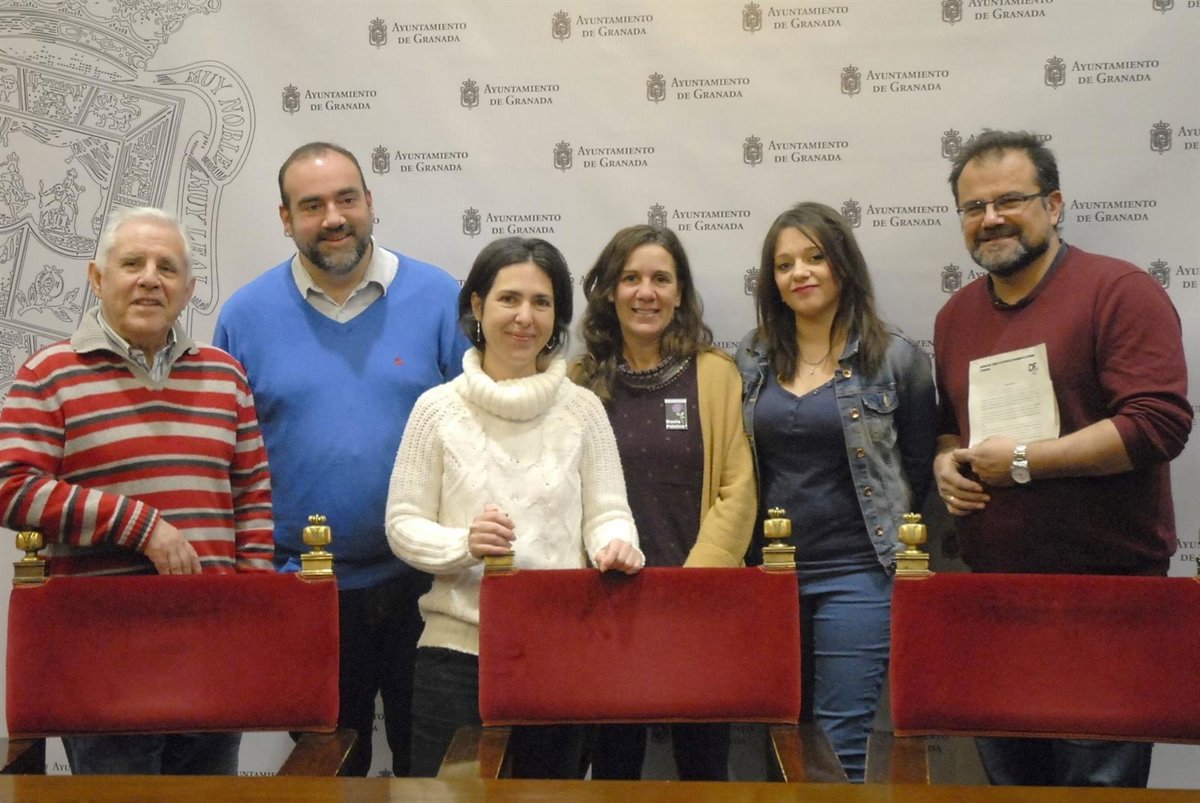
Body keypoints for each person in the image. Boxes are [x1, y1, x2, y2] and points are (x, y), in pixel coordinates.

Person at [933, 130, 1192, 788]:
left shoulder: (1119, 290)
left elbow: (1157, 425)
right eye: (973, 207)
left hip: (1105, 600)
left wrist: (1025, 460)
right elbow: (950, 426)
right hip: (995, 598)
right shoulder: (955, 316)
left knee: (1096, 790)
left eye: (1010, 200)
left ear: (1053, 204)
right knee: (1010, 786)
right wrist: (946, 462)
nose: (991, 218)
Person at [213, 142, 469, 777]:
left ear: (370, 203)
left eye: (346, 199)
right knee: (328, 772)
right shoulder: (244, 316)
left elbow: (476, 440)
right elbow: (230, 464)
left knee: (432, 770)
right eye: (312, 205)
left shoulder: (441, 299)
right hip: (306, 589)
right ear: (285, 218)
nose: (333, 218)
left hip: (427, 587)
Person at [0, 206, 274, 774]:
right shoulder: (48, 374)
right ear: (97, 278)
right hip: (101, 657)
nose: (151, 279)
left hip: (209, 651)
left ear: (189, 290)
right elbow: (10, 485)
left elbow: (252, 499)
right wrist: (141, 527)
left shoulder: (225, 376)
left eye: (167, 268)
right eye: (132, 264)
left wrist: (249, 614)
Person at [385, 236, 643, 778]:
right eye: (509, 299)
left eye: (541, 302)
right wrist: (463, 544)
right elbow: (402, 523)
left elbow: (607, 512)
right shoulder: (436, 410)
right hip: (455, 657)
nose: (525, 317)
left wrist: (615, 544)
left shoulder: (584, 410)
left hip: (561, 654)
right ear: (478, 306)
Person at [734, 202, 936, 782]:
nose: (800, 273)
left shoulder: (896, 358)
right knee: (780, 742)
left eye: (815, 257)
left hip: (859, 573)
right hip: (770, 576)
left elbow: (916, 467)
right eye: (784, 264)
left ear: (843, 265)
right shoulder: (751, 356)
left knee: (837, 747)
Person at [573, 224, 756, 780]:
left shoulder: (715, 374)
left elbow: (738, 489)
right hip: (608, 605)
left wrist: (692, 589)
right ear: (610, 291)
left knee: (704, 769)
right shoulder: (578, 382)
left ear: (680, 294)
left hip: (698, 606)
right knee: (613, 768)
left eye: (661, 279)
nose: (645, 292)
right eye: (631, 278)